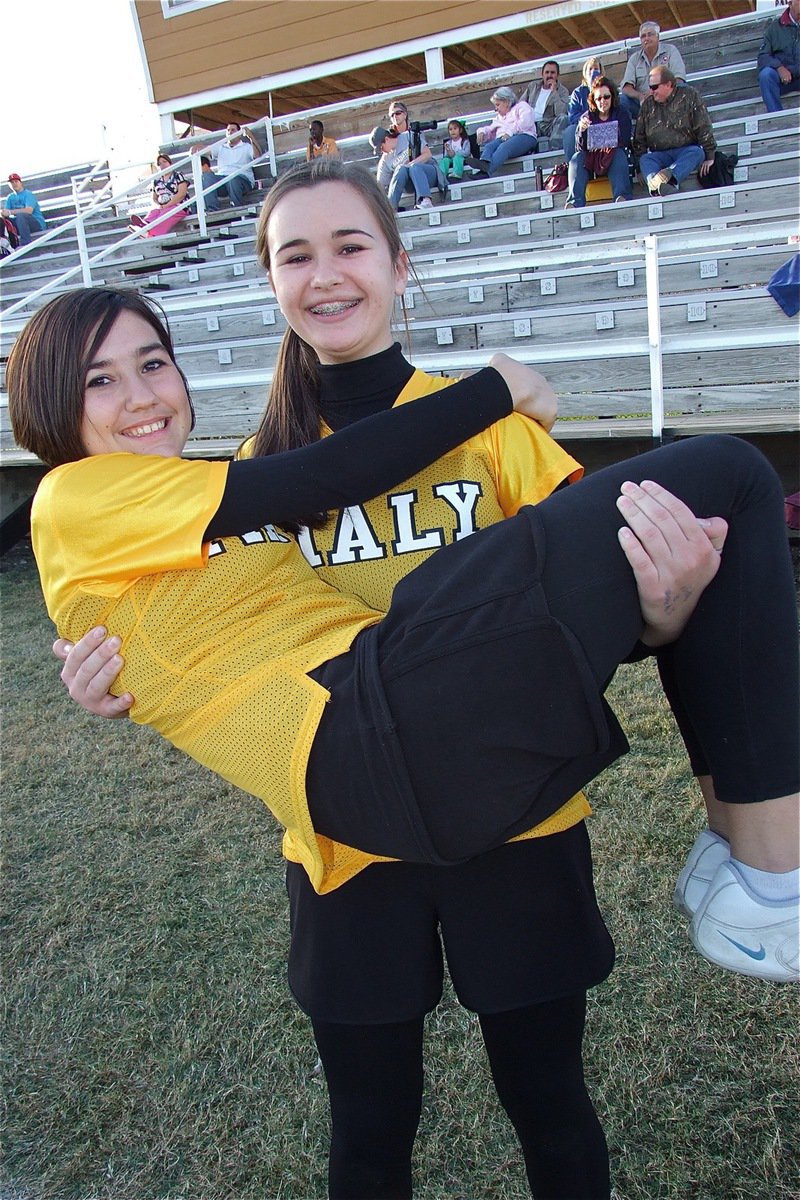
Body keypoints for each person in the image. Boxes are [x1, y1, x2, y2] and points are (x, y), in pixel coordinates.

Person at [30, 163, 799, 1200]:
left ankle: (754, 867)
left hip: (511, 815)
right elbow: (197, 629)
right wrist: (101, 678)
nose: (325, 273)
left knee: (547, 1095)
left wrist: (661, 612)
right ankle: (765, 867)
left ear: (400, 265)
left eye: (350, 245)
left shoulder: (482, 433)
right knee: (369, 1120)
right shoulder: (245, 476)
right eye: (293, 255)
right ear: (268, 286)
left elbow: (591, 619)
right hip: (349, 830)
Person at [633, 68, 716, 196]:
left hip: (685, 150)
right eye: (650, 87)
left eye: (654, 87)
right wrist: (639, 169)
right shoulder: (647, 105)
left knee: (697, 152)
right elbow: (639, 139)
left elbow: (703, 125)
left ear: (668, 84)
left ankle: (670, 179)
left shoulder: (689, 95)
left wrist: (710, 156)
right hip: (659, 155)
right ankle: (657, 184)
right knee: (645, 159)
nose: (651, 91)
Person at [567, 76, 632, 208]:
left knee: (619, 154)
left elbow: (624, 140)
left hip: (612, 157)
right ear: (594, 100)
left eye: (606, 97)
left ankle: (622, 197)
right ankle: (574, 203)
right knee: (576, 158)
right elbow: (580, 148)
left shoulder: (622, 113)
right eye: (598, 98)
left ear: (612, 96)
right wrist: (582, 130)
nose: (603, 101)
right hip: (592, 160)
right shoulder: (586, 116)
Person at [371, 99, 447, 211]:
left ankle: (425, 200)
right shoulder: (385, 159)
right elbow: (380, 186)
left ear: (386, 139)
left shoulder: (409, 135)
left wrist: (410, 164)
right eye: (392, 115)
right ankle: (391, 209)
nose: (381, 151)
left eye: (381, 147)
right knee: (401, 169)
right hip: (409, 183)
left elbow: (427, 155)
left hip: (427, 173)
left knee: (414, 167)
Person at [619, 20, 687, 122]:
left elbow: (679, 79)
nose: (646, 38)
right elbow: (626, 88)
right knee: (621, 101)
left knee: (683, 88)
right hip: (643, 105)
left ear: (658, 37)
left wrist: (659, 92)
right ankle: (630, 133)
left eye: (650, 35)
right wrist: (640, 96)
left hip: (668, 101)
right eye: (643, 36)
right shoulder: (634, 59)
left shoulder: (670, 51)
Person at [465, 86, 538, 176]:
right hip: (504, 139)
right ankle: (484, 164)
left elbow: (525, 123)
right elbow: (491, 130)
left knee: (503, 147)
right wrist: (482, 132)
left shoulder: (521, 106)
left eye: (497, 105)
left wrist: (510, 133)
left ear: (506, 102)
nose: (496, 109)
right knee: (489, 146)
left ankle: (486, 172)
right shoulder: (499, 118)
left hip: (525, 136)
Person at [128, 154, 188, 238]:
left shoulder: (178, 175)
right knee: (154, 211)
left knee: (166, 213)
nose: (162, 165)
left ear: (170, 163)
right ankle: (144, 225)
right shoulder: (156, 180)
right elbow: (154, 198)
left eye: (164, 162)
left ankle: (150, 233)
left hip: (178, 206)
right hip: (162, 206)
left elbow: (181, 194)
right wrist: (159, 205)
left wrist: (167, 205)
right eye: (159, 164)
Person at [757, 0, 800, 112]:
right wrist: (779, 68)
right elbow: (763, 57)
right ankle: (776, 116)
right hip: (784, 81)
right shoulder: (774, 29)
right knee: (766, 75)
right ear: (790, 4)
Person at [210, 122, 263, 209]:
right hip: (223, 181)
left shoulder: (246, 147)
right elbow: (206, 151)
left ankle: (238, 209)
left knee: (233, 178)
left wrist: (251, 137)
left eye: (233, 130)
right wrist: (195, 149)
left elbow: (257, 156)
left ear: (239, 133)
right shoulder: (221, 147)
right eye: (228, 130)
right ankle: (211, 210)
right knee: (206, 177)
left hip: (242, 181)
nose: (230, 132)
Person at [562, 57, 604, 164]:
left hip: (604, 124)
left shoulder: (607, 89)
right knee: (569, 131)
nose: (593, 72)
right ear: (585, 73)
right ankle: (573, 165)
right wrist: (586, 119)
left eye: (596, 68)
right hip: (584, 127)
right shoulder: (578, 93)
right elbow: (572, 116)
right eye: (590, 69)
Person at [523, 60, 571, 146]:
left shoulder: (562, 91)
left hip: (549, 124)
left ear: (557, 75)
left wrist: (554, 92)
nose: (549, 75)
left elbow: (561, 112)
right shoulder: (533, 87)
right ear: (542, 74)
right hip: (531, 124)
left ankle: (554, 147)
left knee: (564, 118)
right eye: (547, 72)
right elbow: (520, 105)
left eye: (552, 73)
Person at [2, 173, 46, 246]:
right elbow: (6, 212)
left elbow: (29, 210)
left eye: (16, 181)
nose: (14, 184)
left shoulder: (28, 194)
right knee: (2, 220)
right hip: (20, 225)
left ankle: (26, 244)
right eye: (12, 182)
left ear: (20, 182)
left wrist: (10, 212)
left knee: (21, 215)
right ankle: (8, 246)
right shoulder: (10, 197)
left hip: (36, 224)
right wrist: (3, 213)